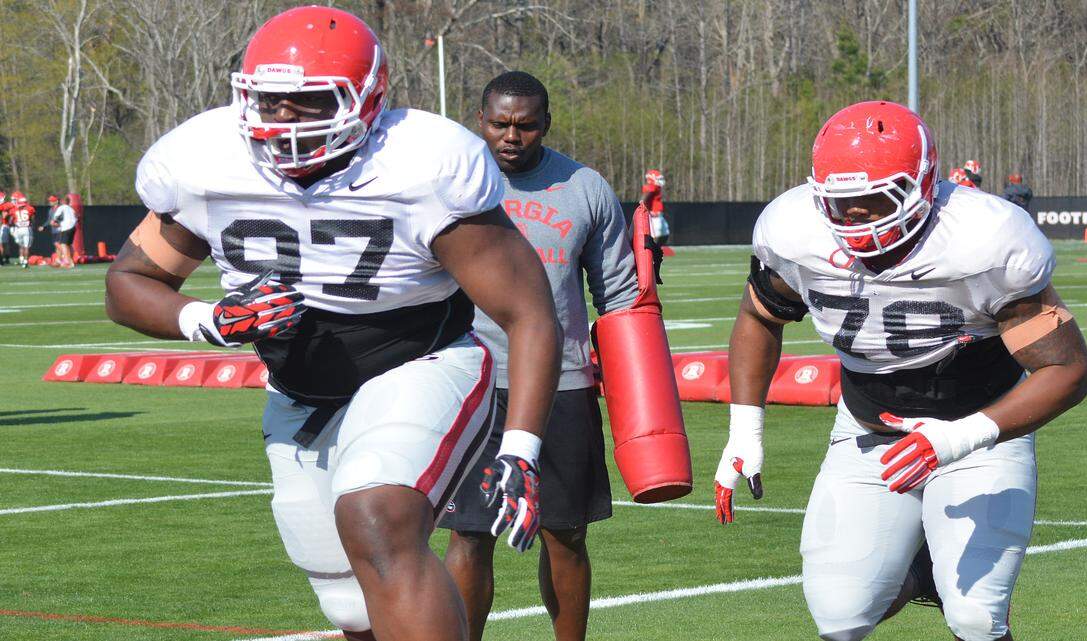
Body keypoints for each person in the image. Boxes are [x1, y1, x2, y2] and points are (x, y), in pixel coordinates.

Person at [104, 7, 562, 641]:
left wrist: (521, 448)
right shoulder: (205, 160)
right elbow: (129, 284)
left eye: (309, 100)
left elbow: (529, 311)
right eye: (269, 100)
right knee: (347, 602)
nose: (282, 119)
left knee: (378, 516)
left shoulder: (421, 162)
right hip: (299, 383)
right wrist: (209, 318)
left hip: (419, 358)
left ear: (367, 100)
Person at [714, 100, 1087, 641]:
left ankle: (946, 581)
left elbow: (1067, 370)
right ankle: (922, 573)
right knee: (839, 615)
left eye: (874, 200)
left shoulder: (985, 238)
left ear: (923, 184)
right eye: (841, 203)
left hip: (980, 428)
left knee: (976, 616)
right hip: (869, 429)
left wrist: (959, 439)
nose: (856, 219)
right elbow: (759, 317)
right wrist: (744, 431)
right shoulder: (793, 229)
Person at [440, 71, 638, 641]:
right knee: (469, 533)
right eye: (500, 123)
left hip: (563, 384)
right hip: (469, 382)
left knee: (566, 533)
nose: (511, 136)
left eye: (525, 125)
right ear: (481, 120)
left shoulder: (585, 187)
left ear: (546, 124)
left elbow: (619, 295)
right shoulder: (448, 183)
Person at [42, 195, 77, 268]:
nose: (50, 202)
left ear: (60, 201)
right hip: (73, 228)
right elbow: (76, 217)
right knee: (67, 245)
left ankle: (68, 262)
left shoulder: (61, 208)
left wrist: (54, 223)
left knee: (63, 245)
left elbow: (54, 219)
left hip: (65, 228)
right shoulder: (71, 209)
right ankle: (66, 260)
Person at [8, 192, 36, 268]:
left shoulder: (14, 210)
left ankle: (21, 259)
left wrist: (15, 223)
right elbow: (33, 219)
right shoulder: (30, 208)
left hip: (18, 229)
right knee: (26, 246)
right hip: (26, 228)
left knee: (21, 245)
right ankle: (25, 262)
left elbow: (10, 221)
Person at [641, 169, 669, 244]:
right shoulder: (652, 186)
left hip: (659, 215)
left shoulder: (657, 187)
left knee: (665, 234)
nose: (661, 180)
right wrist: (642, 205)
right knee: (655, 236)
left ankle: (656, 251)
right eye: (659, 178)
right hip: (654, 216)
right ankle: (651, 253)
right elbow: (646, 195)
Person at [0, 191, 12, 266]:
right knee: (5, 244)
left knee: (2, 244)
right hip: (5, 225)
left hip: (3, 225)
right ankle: (6, 258)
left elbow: (4, 216)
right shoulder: (7, 205)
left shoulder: (4, 206)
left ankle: (2, 260)